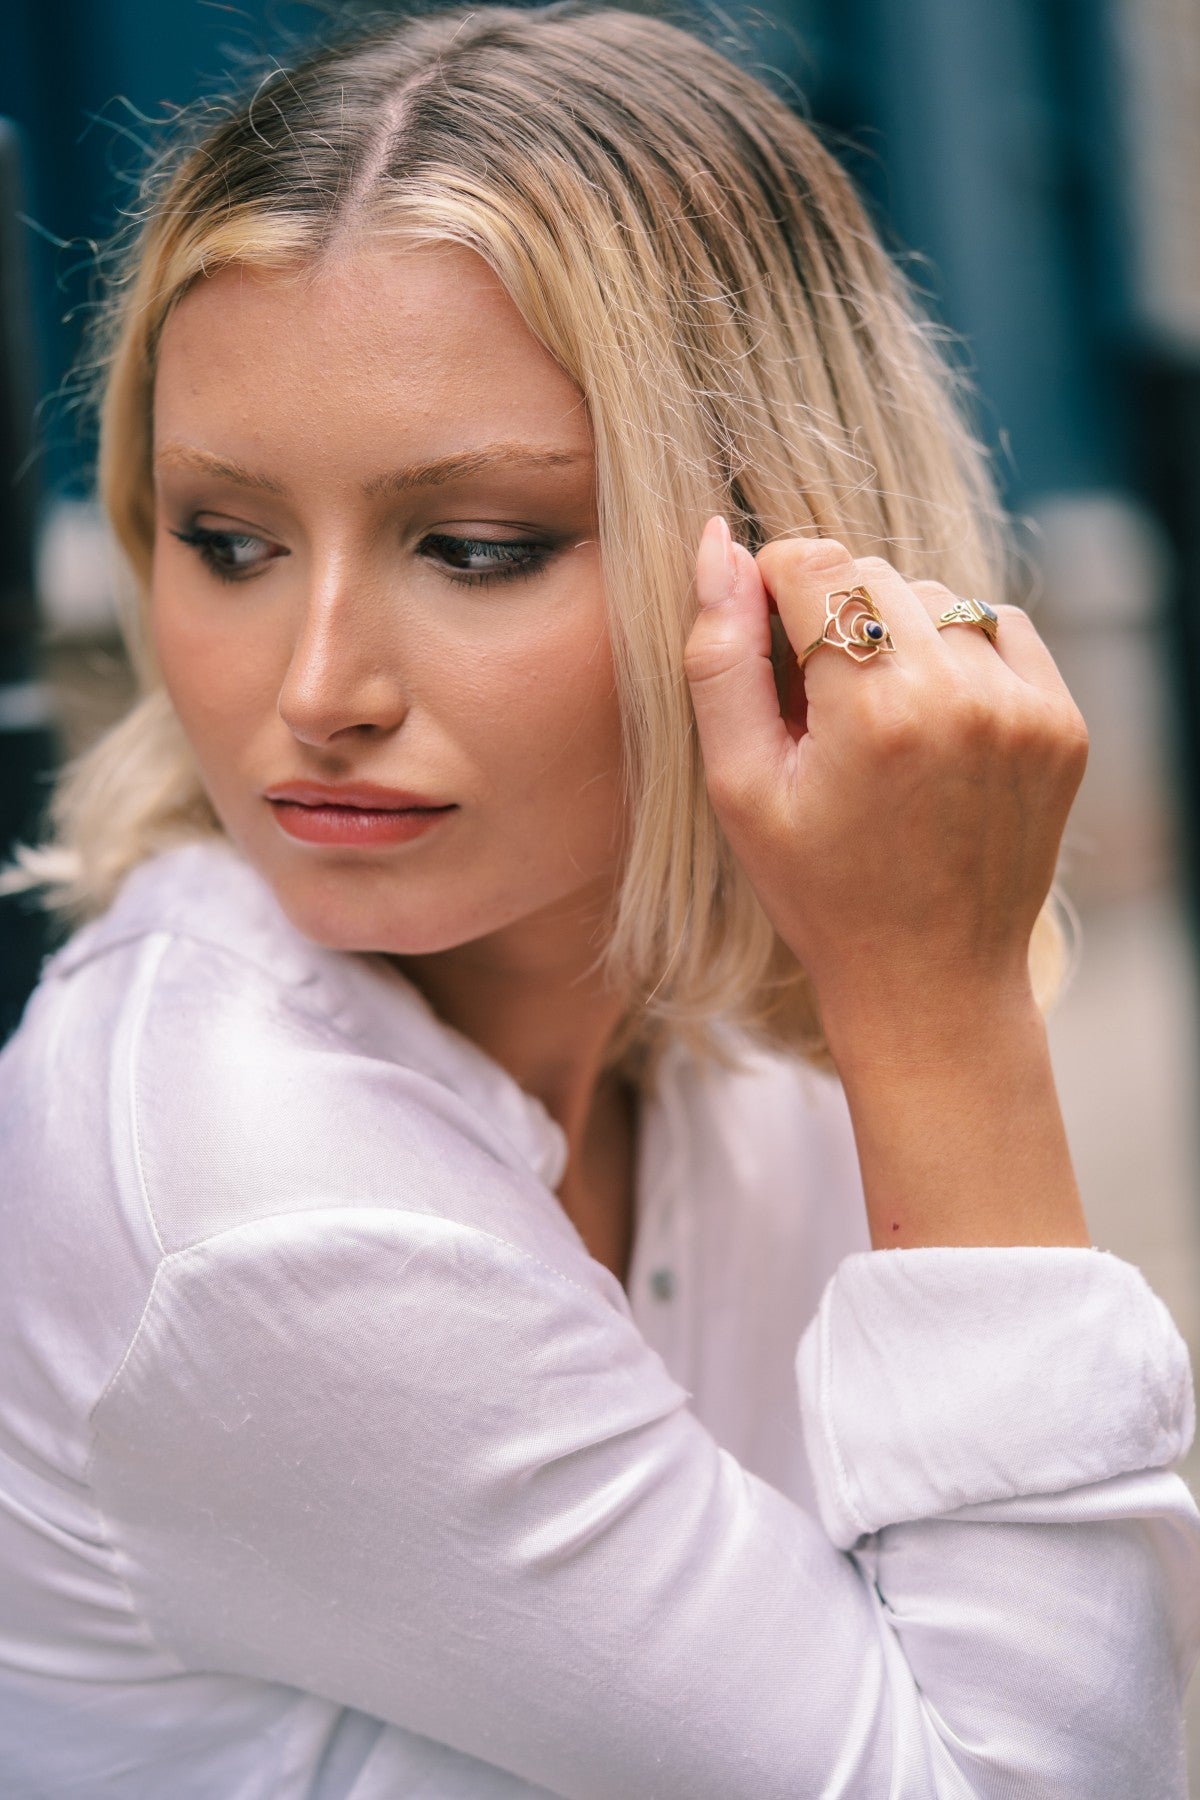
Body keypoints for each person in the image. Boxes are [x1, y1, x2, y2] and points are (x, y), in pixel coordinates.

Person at [1, 5, 1197, 1794]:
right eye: (228, 542)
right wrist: (941, 1009)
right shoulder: (259, 1205)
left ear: (773, 549)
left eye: (476, 545)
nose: (315, 683)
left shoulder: (724, 1026)